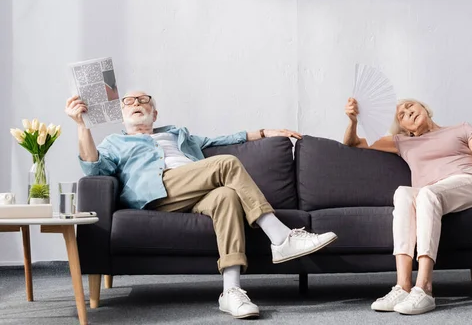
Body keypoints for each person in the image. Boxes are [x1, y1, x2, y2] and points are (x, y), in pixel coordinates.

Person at [66, 91, 338, 319]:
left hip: (194, 191)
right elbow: (93, 167)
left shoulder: (178, 135)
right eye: (129, 101)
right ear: (121, 114)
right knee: (227, 164)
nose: (136, 103)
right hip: (157, 192)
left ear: (155, 114)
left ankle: (231, 291)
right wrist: (81, 125)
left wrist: (266, 132)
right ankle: (281, 237)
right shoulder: (115, 142)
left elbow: (223, 140)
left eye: (144, 100)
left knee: (226, 196)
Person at [343, 97, 472, 315]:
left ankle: (424, 288)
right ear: (404, 128)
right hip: (430, 195)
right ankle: (402, 287)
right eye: (401, 114)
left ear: (425, 108)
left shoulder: (462, 129)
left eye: (410, 106)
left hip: (466, 183)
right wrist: (353, 121)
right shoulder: (402, 141)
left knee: (427, 194)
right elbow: (352, 143)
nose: (408, 112)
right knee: (403, 193)